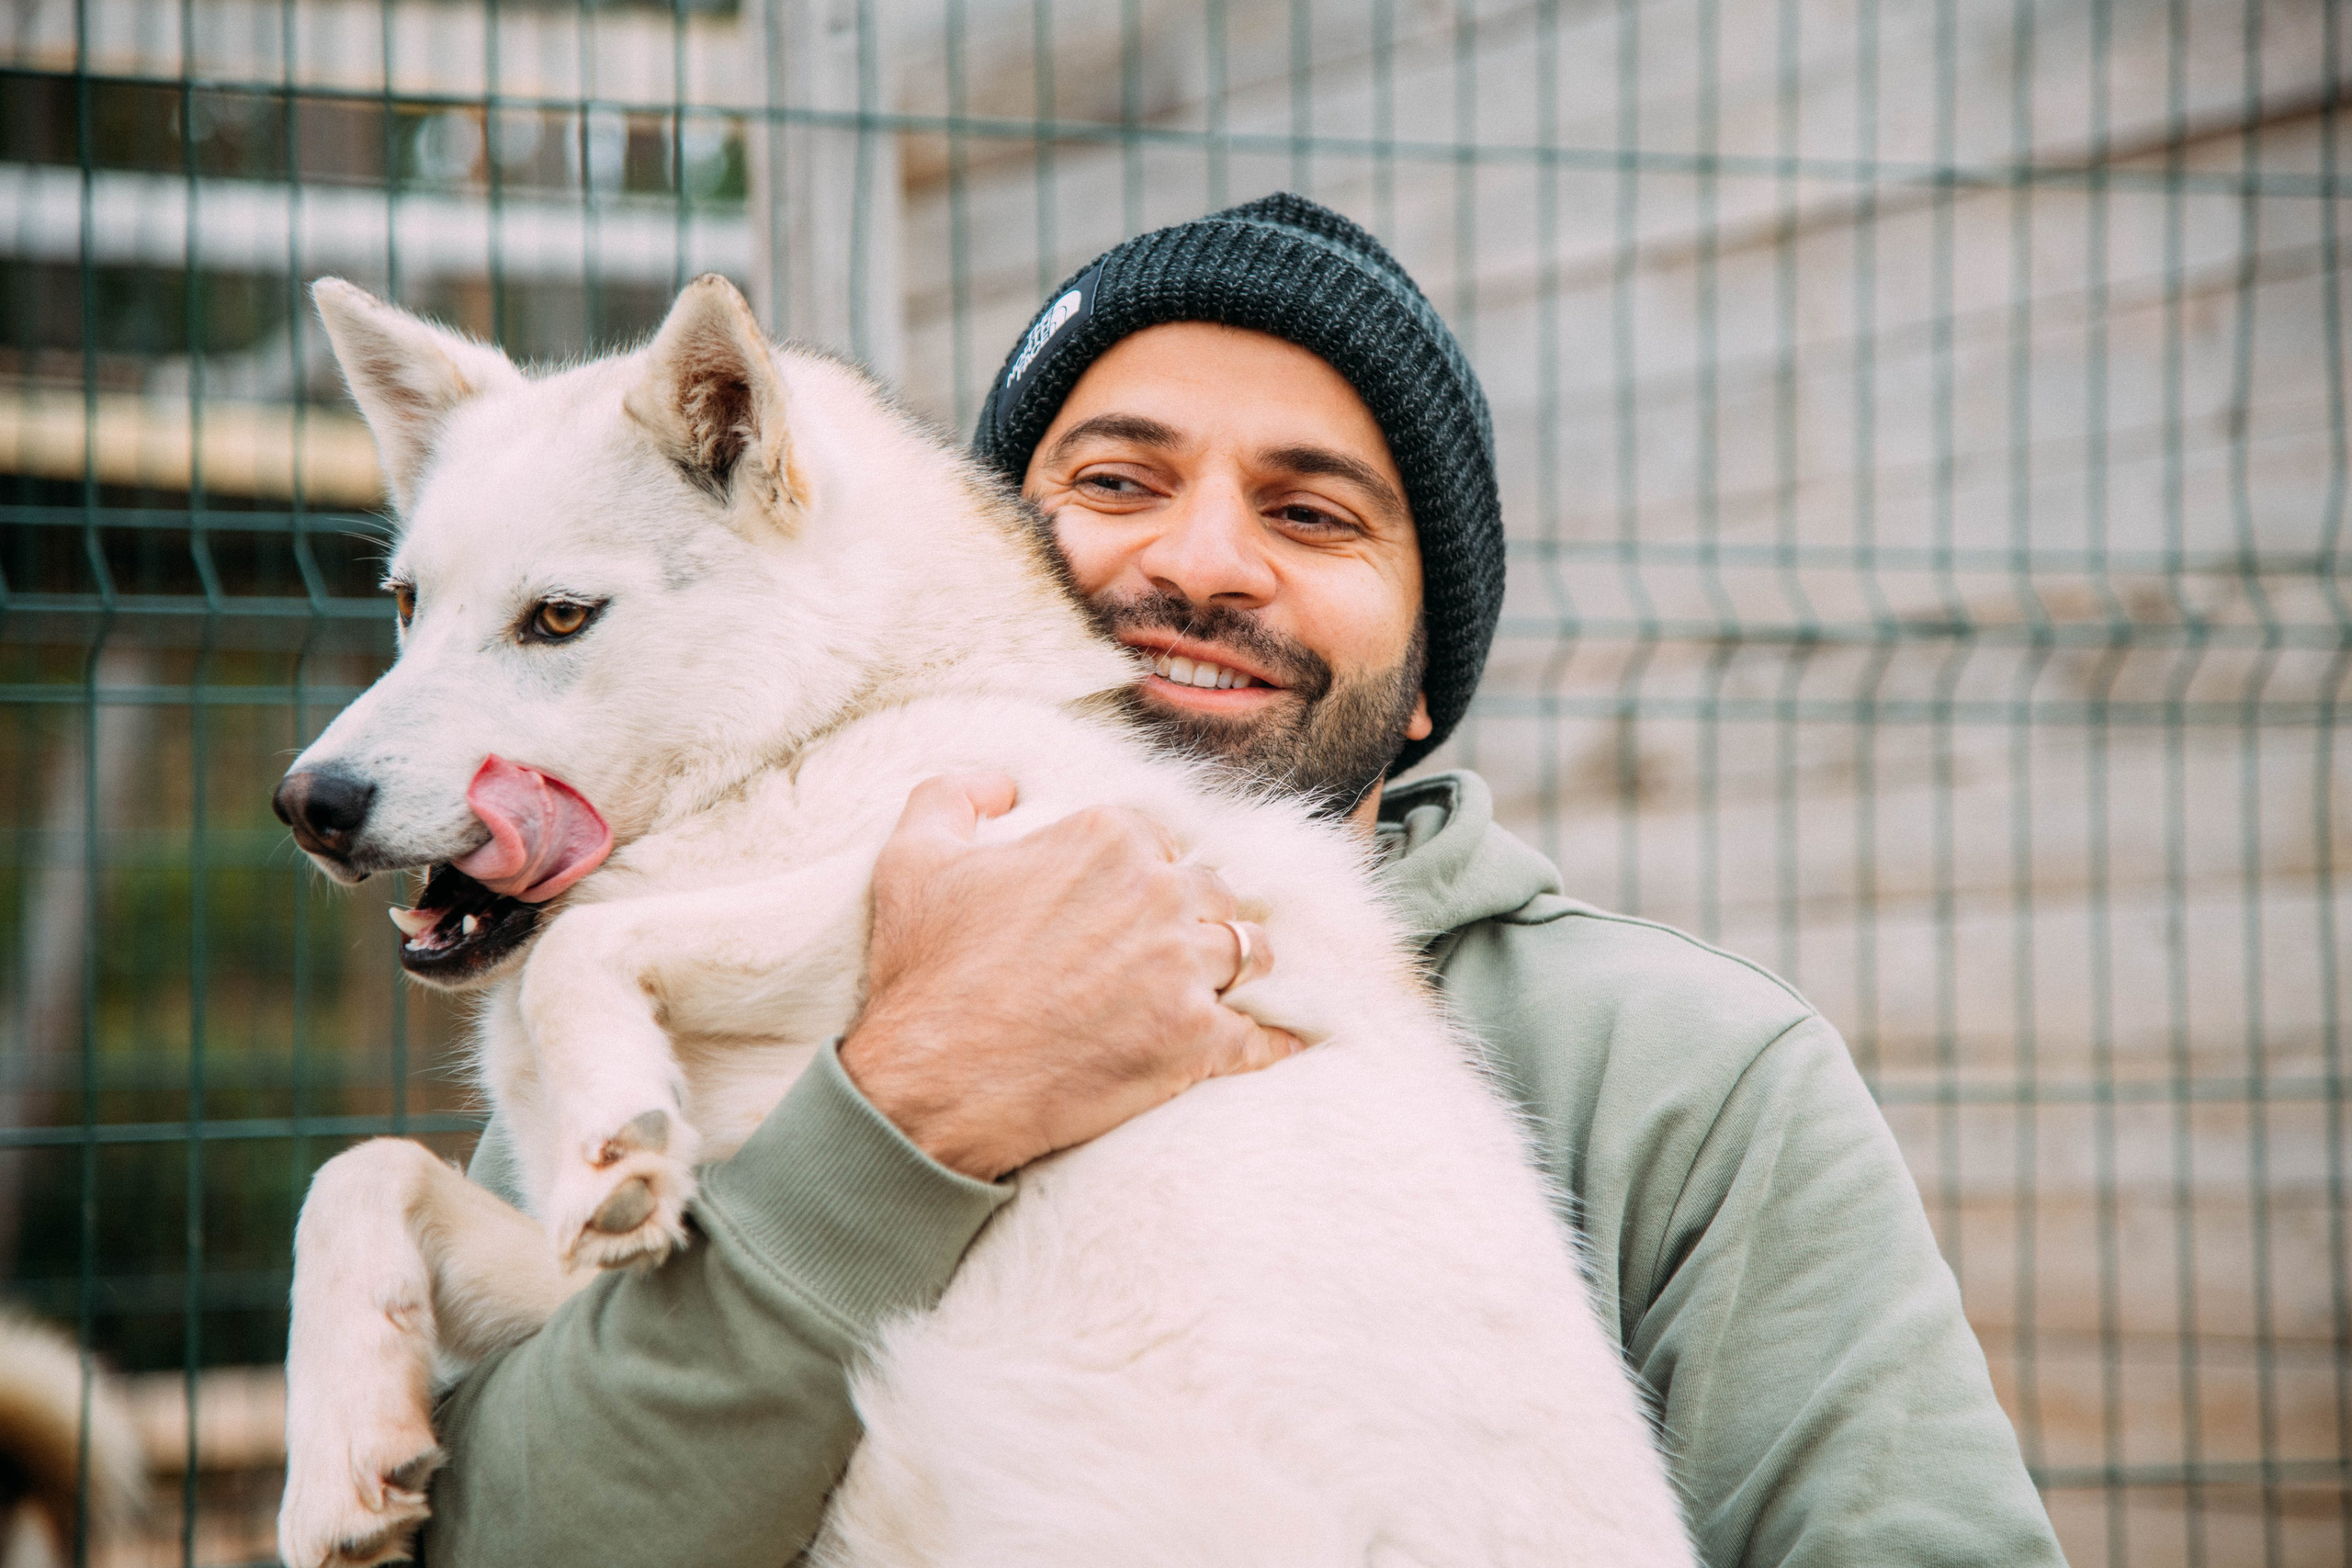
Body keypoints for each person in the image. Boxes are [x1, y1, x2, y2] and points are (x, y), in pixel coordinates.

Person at [418, 195, 2064, 1566]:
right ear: (961, 552)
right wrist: (909, 1110)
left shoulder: (1687, 1072)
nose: (1202, 563)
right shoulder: (654, 985)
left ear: (1423, 680)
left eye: (1314, 512)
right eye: (1118, 482)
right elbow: (510, 1540)